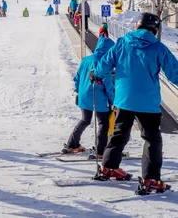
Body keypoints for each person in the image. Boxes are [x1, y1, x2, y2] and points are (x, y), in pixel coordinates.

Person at [93, 13, 178, 194]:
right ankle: (151, 178)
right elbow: (174, 73)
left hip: (124, 100)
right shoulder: (157, 47)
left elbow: (105, 63)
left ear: (137, 26)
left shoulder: (122, 43)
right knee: (151, 140)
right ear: (154, 29)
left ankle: (108, 167)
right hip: (147, 102)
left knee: (119, 133)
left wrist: (97, 74)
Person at [63, 38, 114, 158]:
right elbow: (107, 84)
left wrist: (77, 91)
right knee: (103, 123)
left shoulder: (86, 60)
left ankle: (72, 144)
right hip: (99, 96)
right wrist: (113, 99)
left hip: (84, 95)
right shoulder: (104, 62)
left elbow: (77, 77)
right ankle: (100, 151)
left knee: (85, 120)